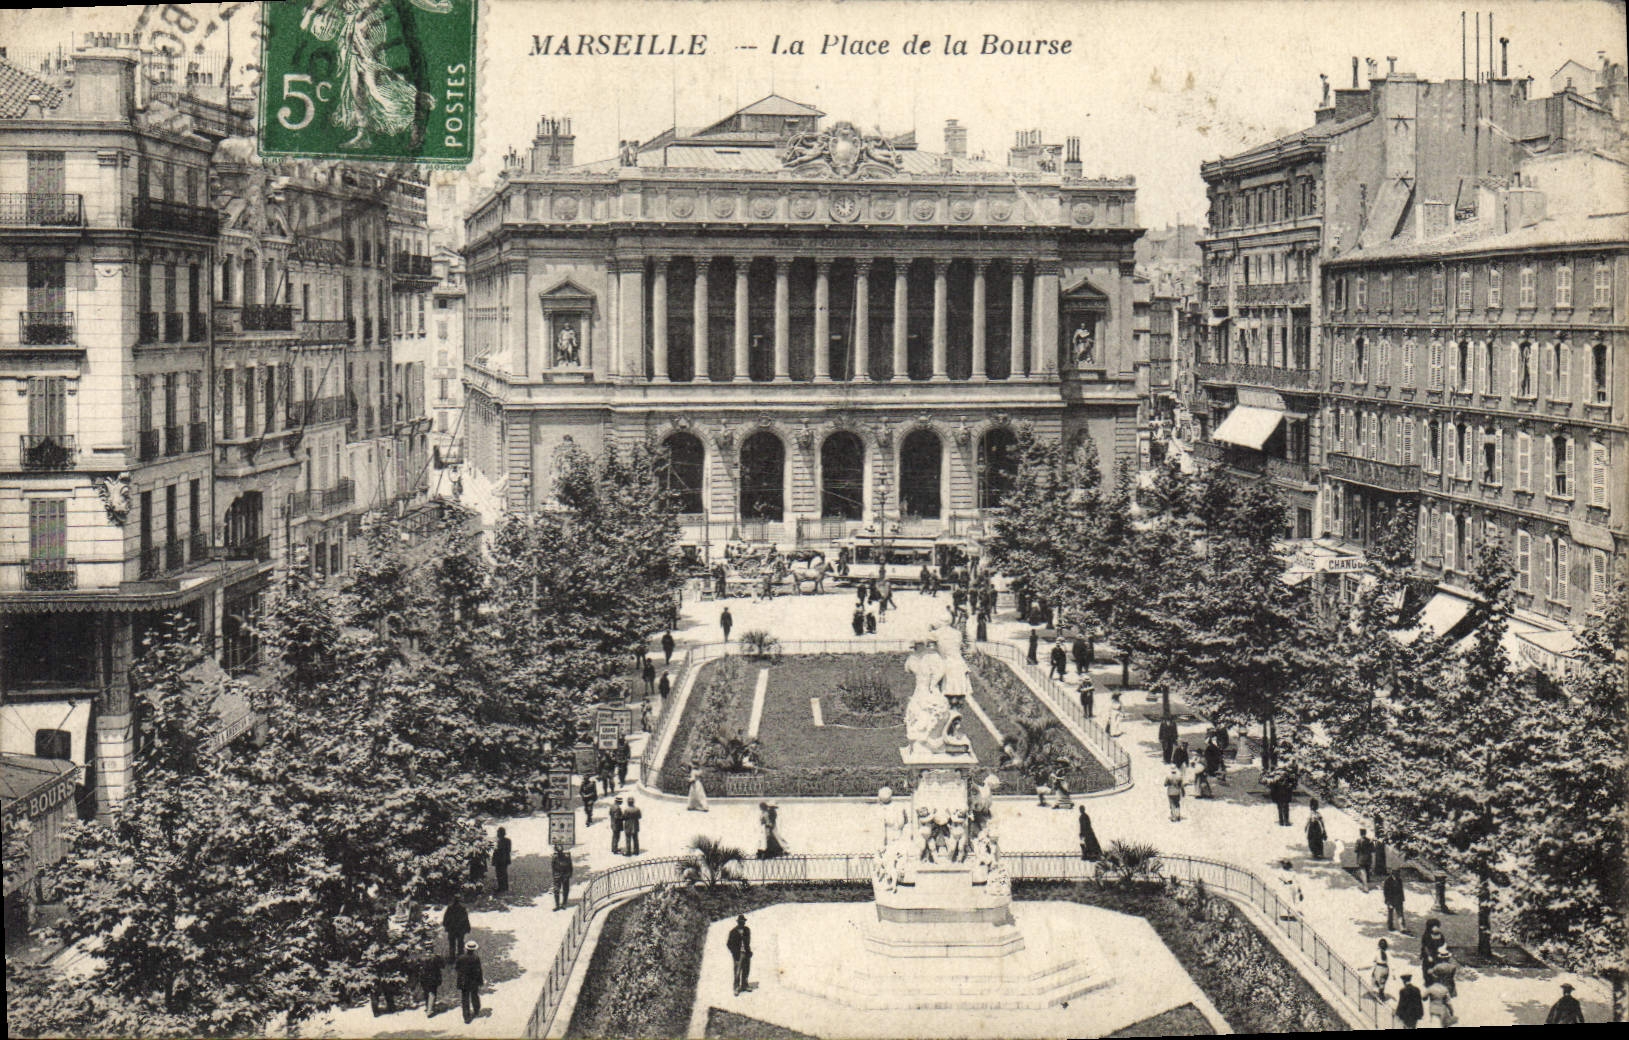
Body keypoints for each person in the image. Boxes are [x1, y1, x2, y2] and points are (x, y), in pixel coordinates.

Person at [455, 940, 484, 1023]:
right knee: (474, 995)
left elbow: (457, 968)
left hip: (464, 981)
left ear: (466, 949)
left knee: (465, 999)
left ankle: (466, 1016)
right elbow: (479, 970)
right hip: (474, 980)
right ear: (474, 949)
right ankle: (476, 1009)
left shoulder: (461, 957)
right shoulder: (476, 958)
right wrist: (480, 981)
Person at [727, 915, 753, 994]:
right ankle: (736, 987)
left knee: (746, 970)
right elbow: (729, 944)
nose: (742, 923)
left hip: (746, 953)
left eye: (743, 921)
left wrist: (749, 951)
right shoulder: (733, 932)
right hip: (738, 954)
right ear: (738, 922)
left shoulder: (747, 930)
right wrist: (734, 952)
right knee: (737, 971)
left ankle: (745, 985)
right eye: (741, 922)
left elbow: (748, 942)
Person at [417, 943, 444, 1016]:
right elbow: (442, 966)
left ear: (425, 949)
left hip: (423, 978)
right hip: (434, 977)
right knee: (432, 992)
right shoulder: (436, 957)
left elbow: (417, 967)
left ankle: (427, 1006)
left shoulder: (421, 958)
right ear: (432, 949)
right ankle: (430, 1010)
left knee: (426, 992)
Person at [442, 896, 470, 964]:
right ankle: (461, 957)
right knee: (460, 943)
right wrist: (467, 927)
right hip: (460, 929)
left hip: (452, 929)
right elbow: (466, 919)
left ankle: (452, 957)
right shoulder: (462, 908)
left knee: (452, 944)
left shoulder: (450, 908)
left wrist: (446, 925)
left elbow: (446, 918)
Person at [492, 826, 512, 895]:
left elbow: (497, 851)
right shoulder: (507, 840)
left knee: (501, 873)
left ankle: (502, 887)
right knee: (502, 873)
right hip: (504, 860)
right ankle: (504, 887)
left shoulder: (499, 842)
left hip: (501, 860)